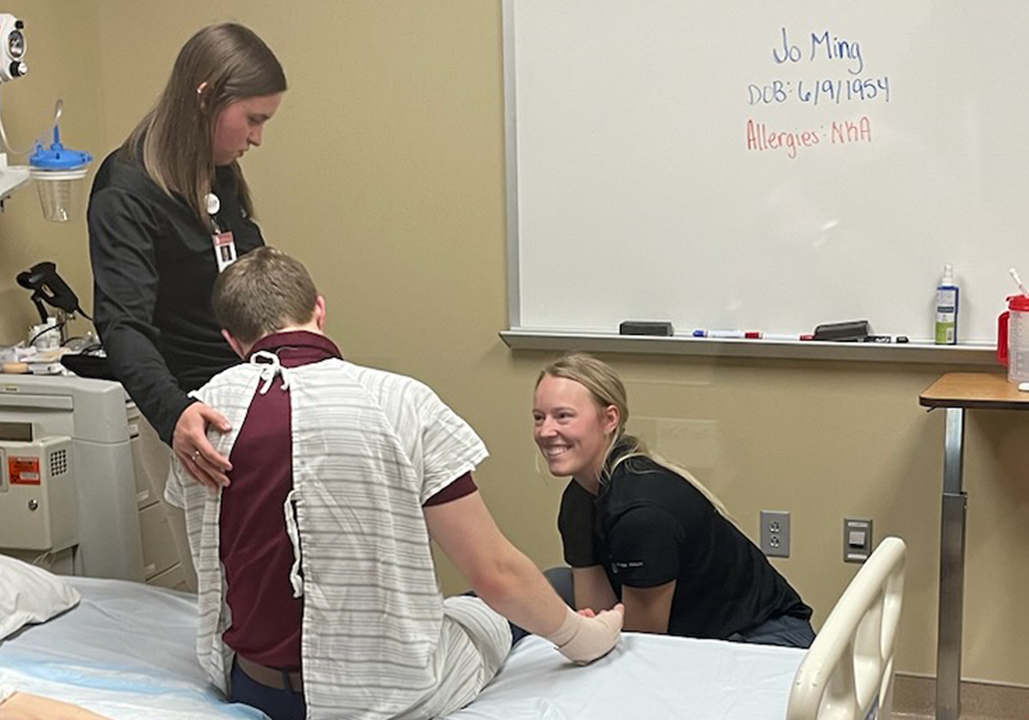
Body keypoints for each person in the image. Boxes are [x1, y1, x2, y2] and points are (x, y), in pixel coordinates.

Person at [166, 248, 624, 720]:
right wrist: (581, 638)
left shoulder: (200, 417)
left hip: (256, 687)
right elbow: (495, 574)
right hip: (387, 697)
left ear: (232, 339)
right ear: (319, 309)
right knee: (525, 596)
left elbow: (211, 567)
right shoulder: (400, 402)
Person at [88, 22, 286, 489]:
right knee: (214, 563)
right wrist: (175, 413)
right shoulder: (127, 191)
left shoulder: (219, 174)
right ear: (205, 97)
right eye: (253, 119)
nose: (257, 138)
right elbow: (123, 324)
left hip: (250, 395)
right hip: (193, 416)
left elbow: (247, 273)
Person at [533, 352, 816, 648]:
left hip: (765, 636)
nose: (545, 431)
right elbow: (598, 617)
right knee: (551, 584)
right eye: (539, 418)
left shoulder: (640, 513)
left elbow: (643, 646)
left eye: (563, 416)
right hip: (691, 622)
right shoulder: (580, 498)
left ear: (609, 419)